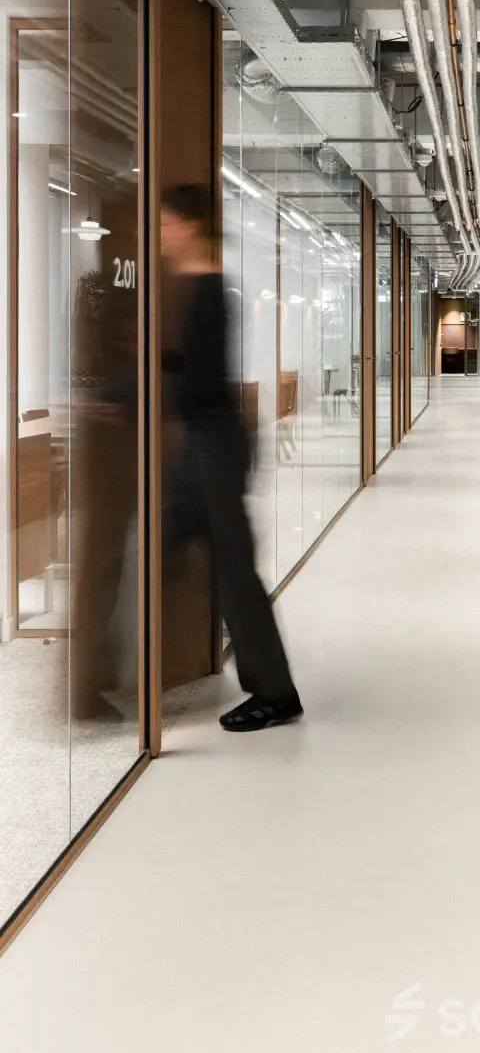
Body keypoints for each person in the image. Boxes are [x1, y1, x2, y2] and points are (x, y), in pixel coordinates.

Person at [160, 184, 302, 732]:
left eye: (167, 224)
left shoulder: (211, 291)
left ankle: (275, 691)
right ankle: (135, 670)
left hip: (214, 447)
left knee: (233, 572)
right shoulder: (198, 290)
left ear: (191, 226)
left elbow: (199, 380)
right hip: (205, 446)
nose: (162, 236)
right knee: (174, 555)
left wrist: (152, 374)